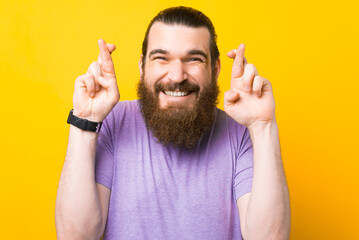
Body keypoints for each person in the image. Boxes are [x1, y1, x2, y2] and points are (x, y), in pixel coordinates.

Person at [55, 6, 290, 240]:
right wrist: (85, 122)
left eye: (193, 59)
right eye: (161, 58)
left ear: (215, 69)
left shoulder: (240, 132)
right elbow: (75, 236)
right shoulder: (113, 122)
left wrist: (262, 126)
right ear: (142, 67)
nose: (177, 76)